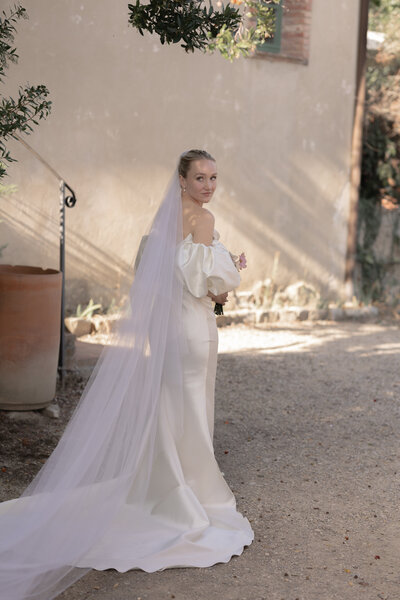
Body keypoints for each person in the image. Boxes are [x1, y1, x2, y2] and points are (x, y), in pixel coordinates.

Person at [0, 150, 253, 600]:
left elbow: (154, 278)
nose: (209, 186)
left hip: (170, 332)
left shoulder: (161, 223)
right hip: (194, 333)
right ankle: (189, 494)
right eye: (200, 177)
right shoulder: (204, 219)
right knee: (193, 411)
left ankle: (165, 485)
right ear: (182, 179)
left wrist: (215, 273)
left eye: (214, 177)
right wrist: (230, 271)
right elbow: (208, 285)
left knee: (173, 409)